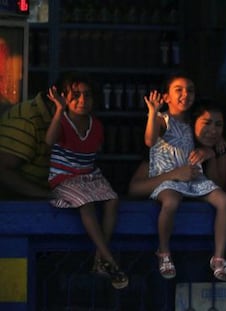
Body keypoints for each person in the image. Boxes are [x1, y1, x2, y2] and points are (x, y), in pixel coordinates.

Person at [144, 74, 226, 281]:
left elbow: (208, 136)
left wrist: (215, 146)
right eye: (179, 90)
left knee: (224, 201)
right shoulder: (163, 120)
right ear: (166, 97)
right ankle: (164, 252)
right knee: (171, 201)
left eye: (190, 90)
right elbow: (149, 140)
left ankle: (219, 258)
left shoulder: (194, 122)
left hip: (194, 178)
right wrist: (152, 112)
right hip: (168, 179)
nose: (186, 94)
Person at [45, 73, 128, 289]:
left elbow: (92, 151)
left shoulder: (96, 125)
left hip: (89, 175)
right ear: (64, 98)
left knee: (112, 200)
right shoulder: (61, 121)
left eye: (87, 95)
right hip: (64, 178)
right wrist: (59, 111)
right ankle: (108, 258)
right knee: (86, 203)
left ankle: (99, 258)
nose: (82, 100)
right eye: (75, 95)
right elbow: (49, 140)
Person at [128, 100, 226, 196]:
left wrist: (211, 156)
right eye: (207, 123)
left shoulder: (220, 147)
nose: (213, 131)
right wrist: (173, 175)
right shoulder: (169, 145)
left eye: (218, 125)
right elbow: (135, 189)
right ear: (191, 123)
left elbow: (219, 187)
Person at [0, 77, 67, 199]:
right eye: (76, 97)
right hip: (19, 206)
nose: (83, 103)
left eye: (87, 97)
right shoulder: (26, 120)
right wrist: (46, 196)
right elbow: (4, 171)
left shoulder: (74, 122)